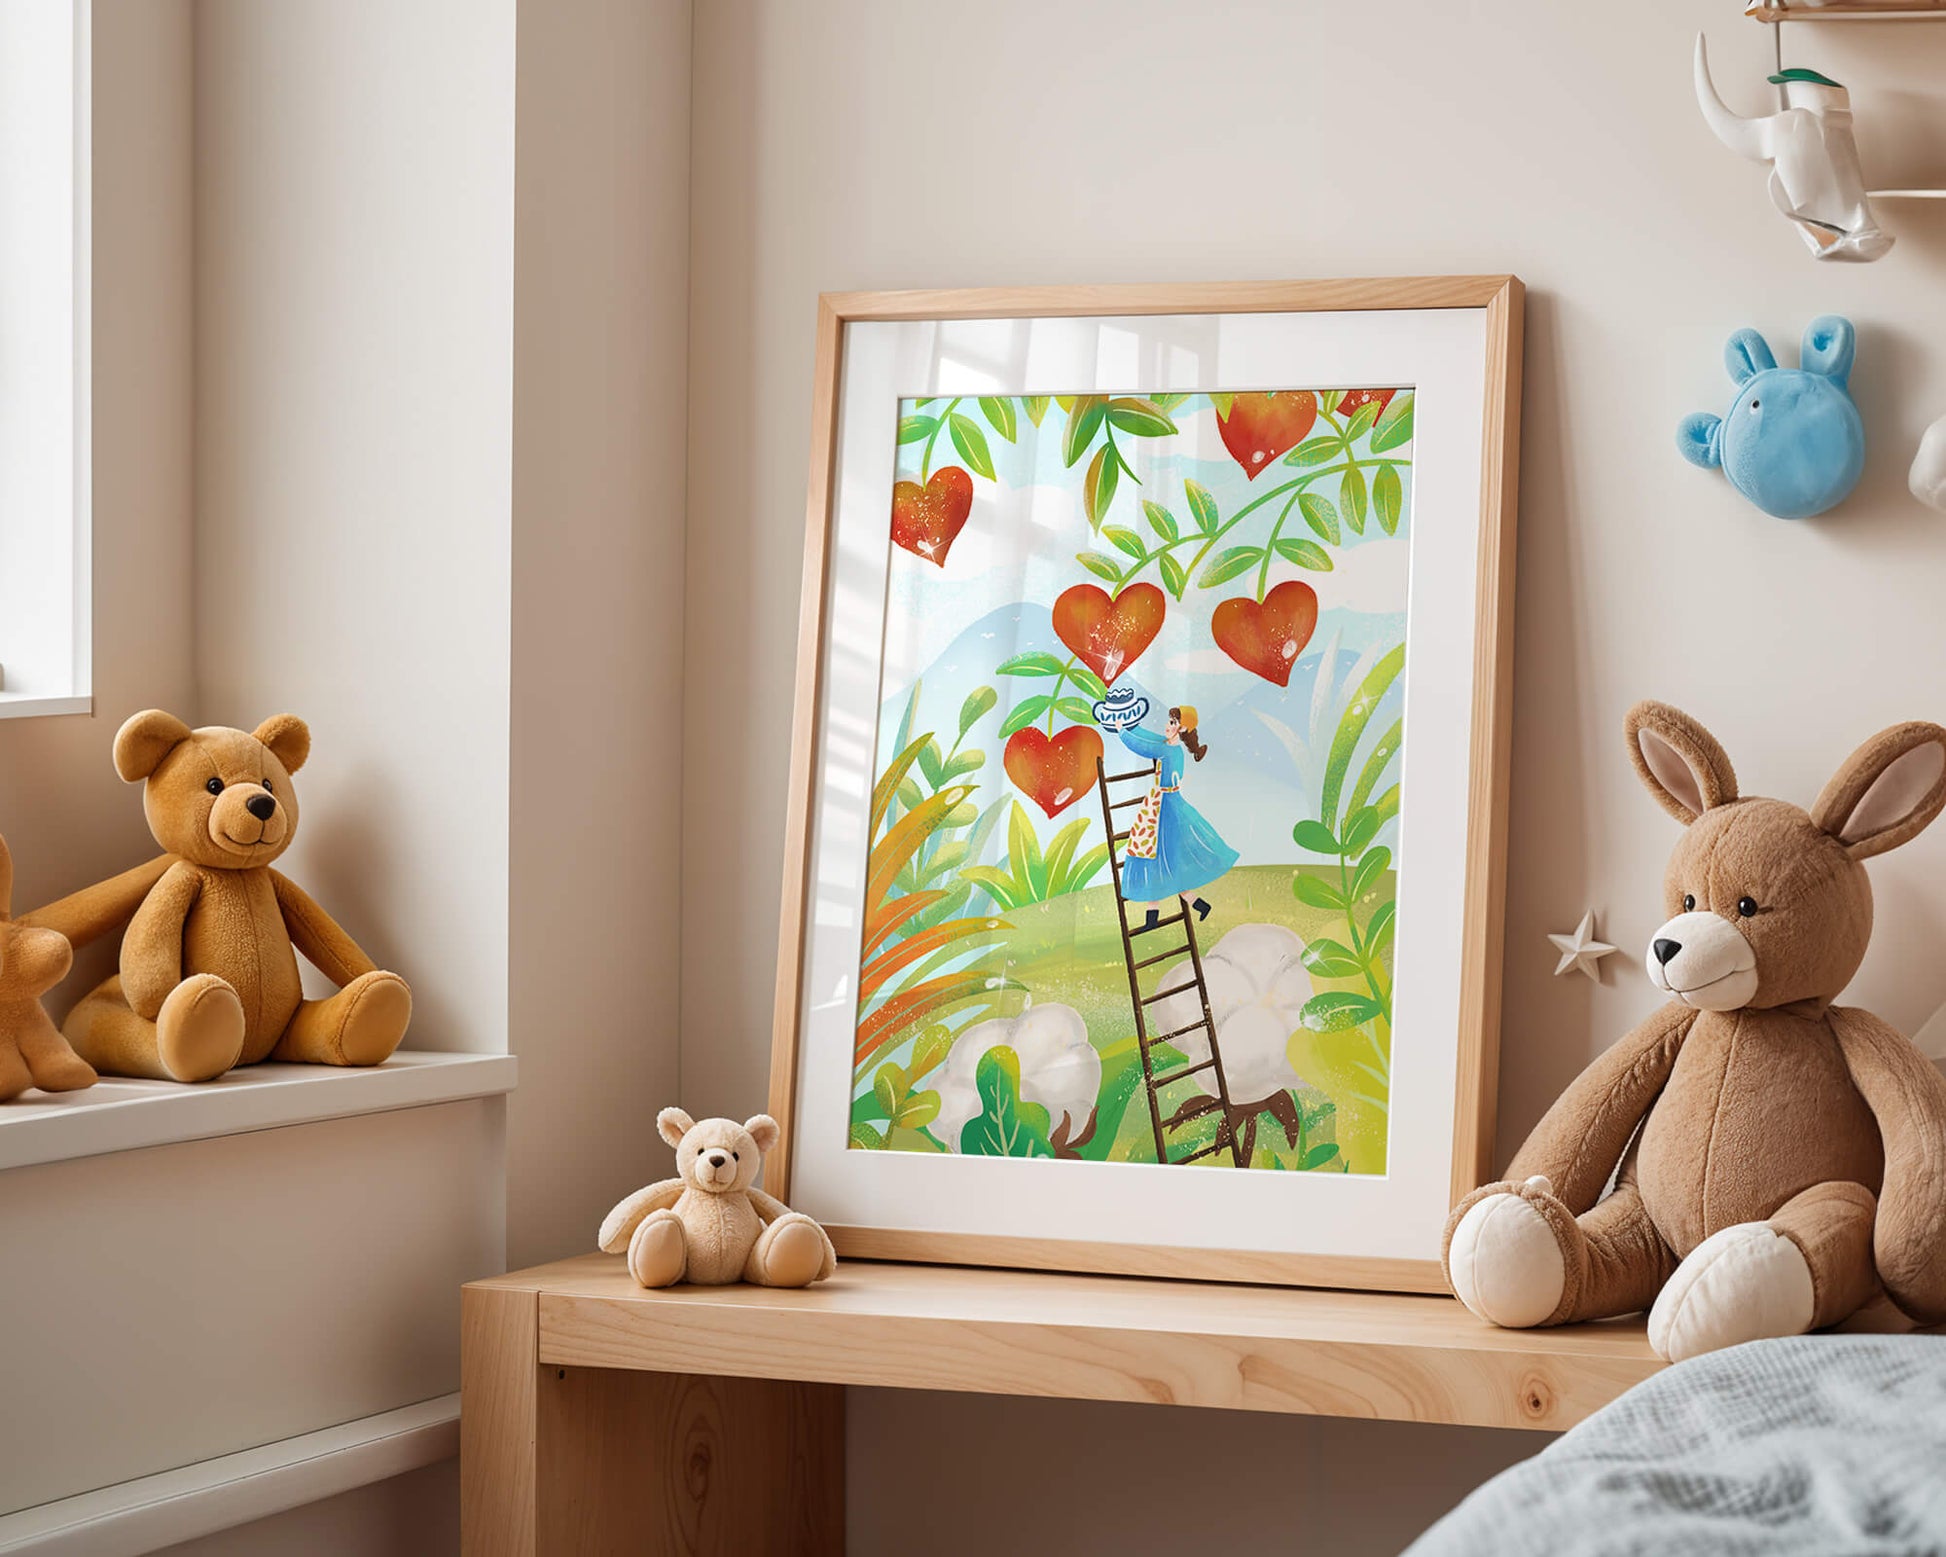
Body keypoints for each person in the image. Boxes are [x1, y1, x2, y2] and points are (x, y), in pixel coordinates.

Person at [1115, 704, 1238, 931]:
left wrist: (1123, 732)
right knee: (1165, 865)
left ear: (1180, 728)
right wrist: (1133, 726)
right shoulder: (1172, 748)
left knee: (1157, 860)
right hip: (1165, 805)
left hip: (1164, 810)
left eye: (1172, 723)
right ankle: (1198, 906)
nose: (1167, 725)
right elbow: (1149, 737)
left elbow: (1143, 746)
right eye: (1169, 721)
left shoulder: (1168, 751)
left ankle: (1157, 918)